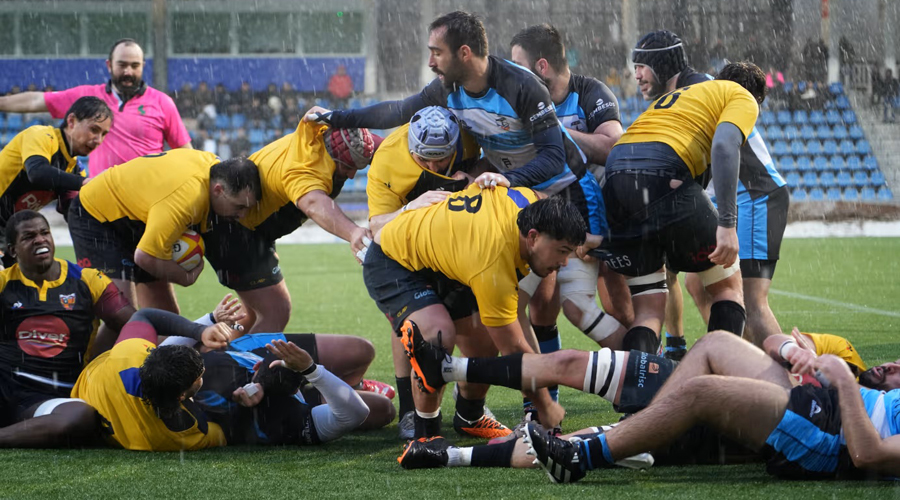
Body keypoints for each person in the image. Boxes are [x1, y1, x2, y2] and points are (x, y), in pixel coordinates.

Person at [398, 328, 874, 474]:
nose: (893, 369)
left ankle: (445, 456)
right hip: (689, 378)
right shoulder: (846, 357)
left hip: (722, 412)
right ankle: (448, 369)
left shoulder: (851, 375)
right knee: (567, 362)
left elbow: (868, 453)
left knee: (568, 439)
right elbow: (770, 337)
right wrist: (795, 351)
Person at [363, 184, 584, 440]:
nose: (564, 263)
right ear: (533, 237)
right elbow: (514, 353)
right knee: (436, 337)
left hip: (450, 261)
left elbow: (540, 196)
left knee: (485, 345)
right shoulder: (493, 262)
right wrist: (544, 405)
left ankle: (470, 416)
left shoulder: (527, 200)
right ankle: (426, 435)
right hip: (394, 259)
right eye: (562, 252)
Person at [628, 31, 789, 356]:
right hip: (730, 197)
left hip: (755, 194)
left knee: (751, 302)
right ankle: (742, 363)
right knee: (697, 285)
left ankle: (794, 386)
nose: (637, 75)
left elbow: (723, 146)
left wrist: (725, 221)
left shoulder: (701, 86)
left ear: (662, 64)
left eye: (642, 65)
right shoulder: (673, 96)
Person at [597, 60, 767, 357]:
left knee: (648, 307)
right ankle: (717, 378)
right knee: (727, 287)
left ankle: (639, 394)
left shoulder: (678, 98)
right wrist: (727, 225)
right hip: (661, 173)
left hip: (616, 179)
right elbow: (725, 147)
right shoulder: (741, 96)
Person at [365, 105, 506, 439]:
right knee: (426, 332)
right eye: (423, 160)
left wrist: (479, 178)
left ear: (457, 145)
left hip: (453, 252)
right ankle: (413, 414)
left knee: (486, 339)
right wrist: (408, 207)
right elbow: (375, 225)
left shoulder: (470, 138)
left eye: (440, 159)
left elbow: (490, 164)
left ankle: (469, 414)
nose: (433, 167)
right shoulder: (387, 160)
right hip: (401, 256)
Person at [508, 24, 632, 367]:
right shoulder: (520, 100)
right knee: (539, 308)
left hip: (598, 214)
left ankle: (645, 365)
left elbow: (613, 147)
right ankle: (545, 390)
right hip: (546, 219)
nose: (514, 73)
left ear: (542, 66)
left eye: (519, 64)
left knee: (619, 306)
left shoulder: (591, 92)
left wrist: (554, 130)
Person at [202, 121, 379, 334]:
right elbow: (314, 204)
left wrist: (344, 117)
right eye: (347, 167)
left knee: (252, 315)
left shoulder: (314, 132)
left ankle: (212, 355)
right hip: (238, 232)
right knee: (275, 312)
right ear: (333, 155)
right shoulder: (304, 171)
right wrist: (353, 233)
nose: (351, 175)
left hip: (247, 230)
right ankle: (234, 365)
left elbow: (316, 111)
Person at [0, 210, 134, 448]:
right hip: (5, 388)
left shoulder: (88, 280)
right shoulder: (4, 282)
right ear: (12, 250)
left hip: (50, 398)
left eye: (44, 233)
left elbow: (133, 323)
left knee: (80, 417)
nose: (40, 240)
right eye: (29, 236)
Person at [67, 151, 261, 313]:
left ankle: (159, 358)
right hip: (96, 215)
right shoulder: (185, 201)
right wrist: (186, 277)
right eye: (239, 207)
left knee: (166, 316)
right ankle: (95, 359)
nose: (242, 215)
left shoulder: (217, 169)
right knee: (120, 314)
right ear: (218, 190)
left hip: (135, 216)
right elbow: (145, 257)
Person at [0, 39, 192, 177]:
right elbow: (36, 101)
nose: (128, 72)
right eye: (122, 65)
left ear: (142, 66)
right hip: (102, 199)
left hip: (147, 199)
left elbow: (186, 154)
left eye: (134, 66)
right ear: (109, 65)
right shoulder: (88, 97)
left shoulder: (162, 102)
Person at [70, 307, 234, 451]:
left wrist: (201, 331)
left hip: (91, 384)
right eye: (200, 375)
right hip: (91, 398)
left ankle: (210, 320)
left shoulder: (128, 356)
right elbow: (225, 432)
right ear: (181, 396)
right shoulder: (185, 433)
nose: (203, 370)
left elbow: (145, 315)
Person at [193, 333, 396, 446]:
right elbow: (357, 413)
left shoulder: (232, 361)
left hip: (256, 356)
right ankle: (333, 389)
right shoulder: (281, 421)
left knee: (362, 350)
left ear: (256, 365)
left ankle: (352, 386)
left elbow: (201, 348)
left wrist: (204, 330)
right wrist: (314, 371)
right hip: (272, 409)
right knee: (385, 410)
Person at [0, 97, 112, 268]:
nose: (98, 140)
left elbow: (73, 214)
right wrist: (86, 182)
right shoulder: (41, 135)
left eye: (103, 134)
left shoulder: (75, 169)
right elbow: (37, 173)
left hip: (8, 234)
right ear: (72, 121)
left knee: (26, 288)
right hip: (7, 232)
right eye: (94, 130)